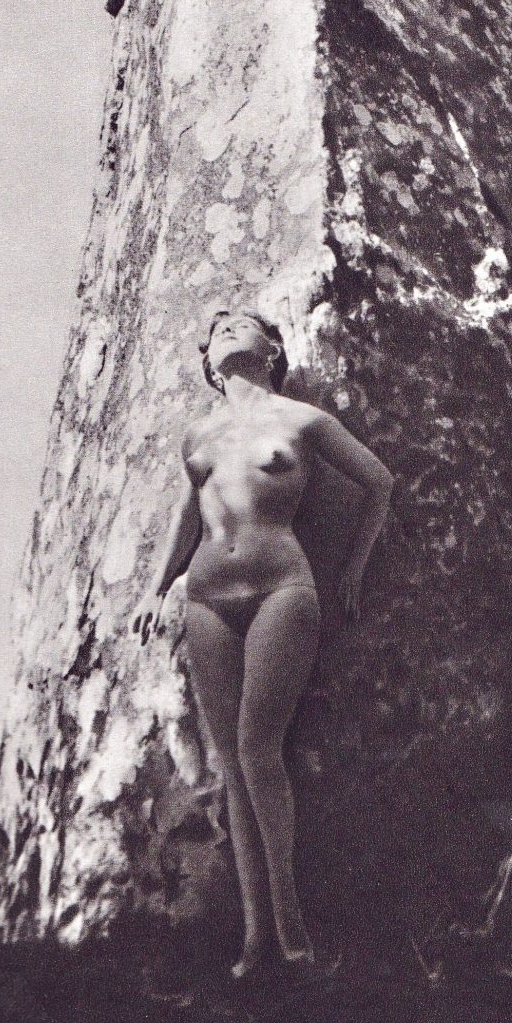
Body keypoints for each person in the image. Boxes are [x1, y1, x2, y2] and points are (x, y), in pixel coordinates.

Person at [131, 307, 394, 980]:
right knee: (231, 762)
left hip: (282, 588)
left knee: (256, 748)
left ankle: (291, 923)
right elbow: (186, 517)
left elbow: (378, 482)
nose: (224, 328)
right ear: (207, 365)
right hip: (206, 598)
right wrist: (156, 588)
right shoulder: (198, 433)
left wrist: (354, 568)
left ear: (272, 348)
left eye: (239, 323)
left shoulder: (303, 421)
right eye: (214, 328)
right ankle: (254, 938)